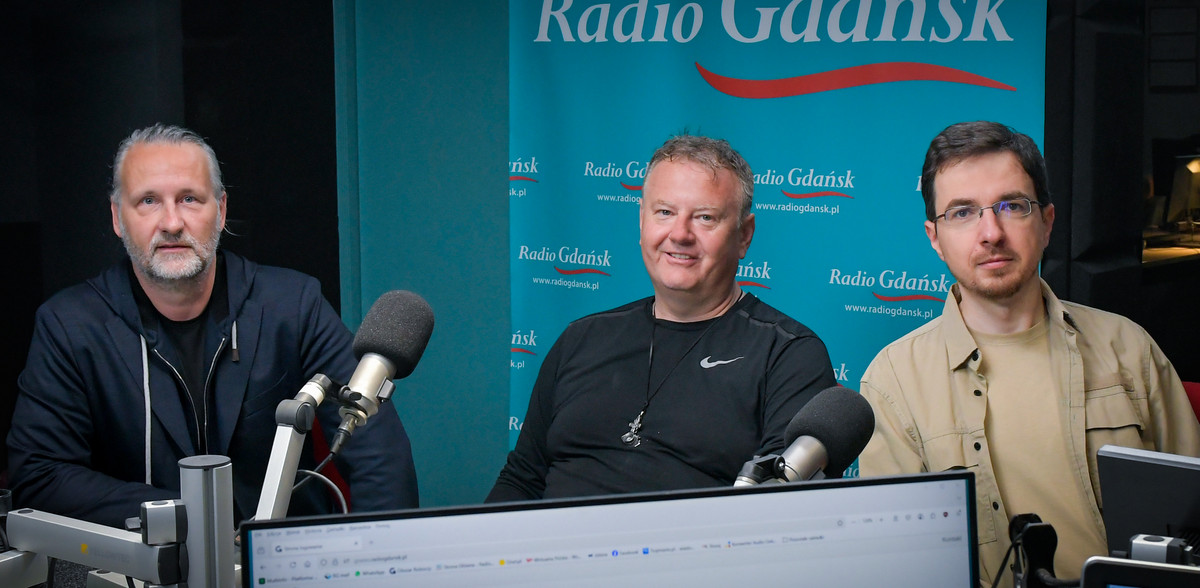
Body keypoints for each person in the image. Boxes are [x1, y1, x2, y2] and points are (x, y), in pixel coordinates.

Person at [8, 124, 420, 528]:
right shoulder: (69, 325)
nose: (171, 222)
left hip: (283, 566)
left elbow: (378, 454)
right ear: (118, 218)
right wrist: (186, 518)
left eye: (189, 198)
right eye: (148, 201)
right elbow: (41, 475)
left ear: (220, 211)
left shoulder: (293, 305)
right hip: (138, 568)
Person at [858, 121, 1200, 586]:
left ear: (1047, 222)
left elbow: (1192, 516)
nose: (991, 233)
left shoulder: (1128, 349)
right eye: (962, 212)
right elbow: (901, 567)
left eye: (1012, 206)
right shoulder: (894, 379)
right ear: (934, 238)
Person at [487, 135, 836, 502]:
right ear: (642, 222)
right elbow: (521, 480)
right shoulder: (581, 339)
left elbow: (783, 509)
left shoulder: (788, 355)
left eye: (704, 218)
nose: (680, 234)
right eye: (665, 212)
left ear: (744, 236)